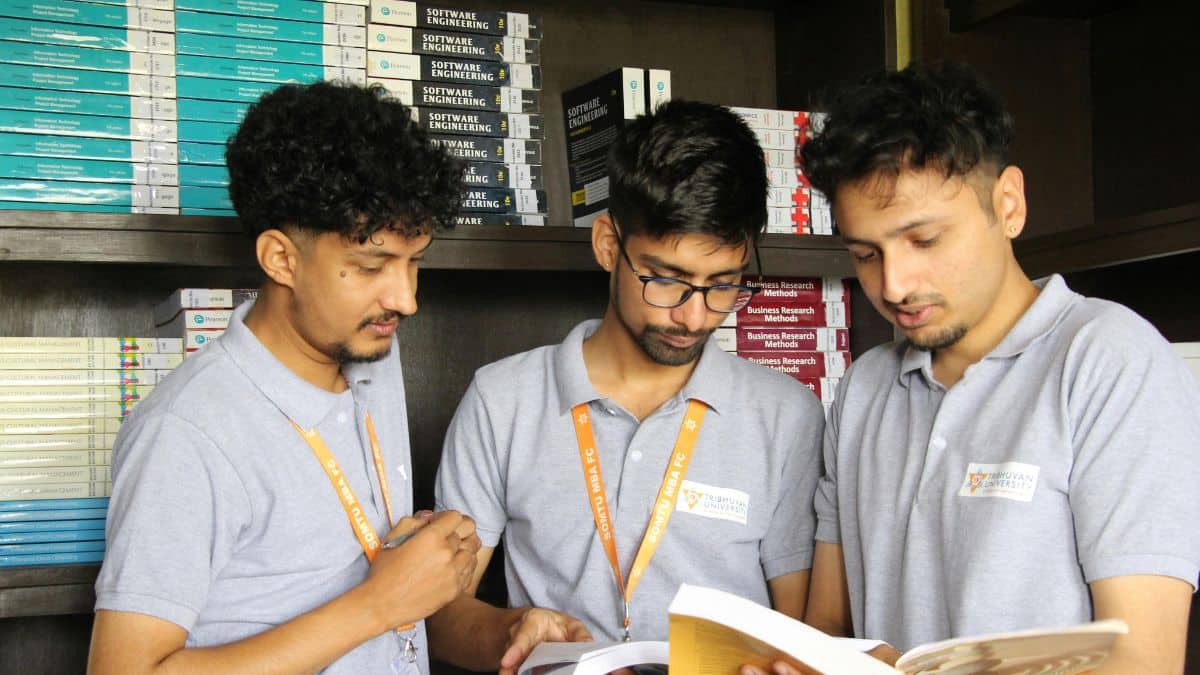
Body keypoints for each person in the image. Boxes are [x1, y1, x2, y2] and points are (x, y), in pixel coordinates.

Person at [774, 61, 1199, 673]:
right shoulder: (864, 387)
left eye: (925, 241)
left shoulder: (1112, 363)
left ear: (1009, 204)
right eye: (866, 254)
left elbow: (1144, 661)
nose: (894, 285)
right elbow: (828, 627)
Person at [88, 81, 481, 675]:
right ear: (280, 259)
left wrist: (421, 557)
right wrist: (379, 603)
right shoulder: (185, 433)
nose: (406, 299)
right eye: (371, 266)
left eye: (414, 262)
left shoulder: (372, 354)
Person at [428, 99, 825, 673]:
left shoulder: (788, 415)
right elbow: (438, 618)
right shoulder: (501, 401)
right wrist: (511, 630)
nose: (694, 318)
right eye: (665, 279)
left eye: (723, 284)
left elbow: (806, 634)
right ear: (608, 246)